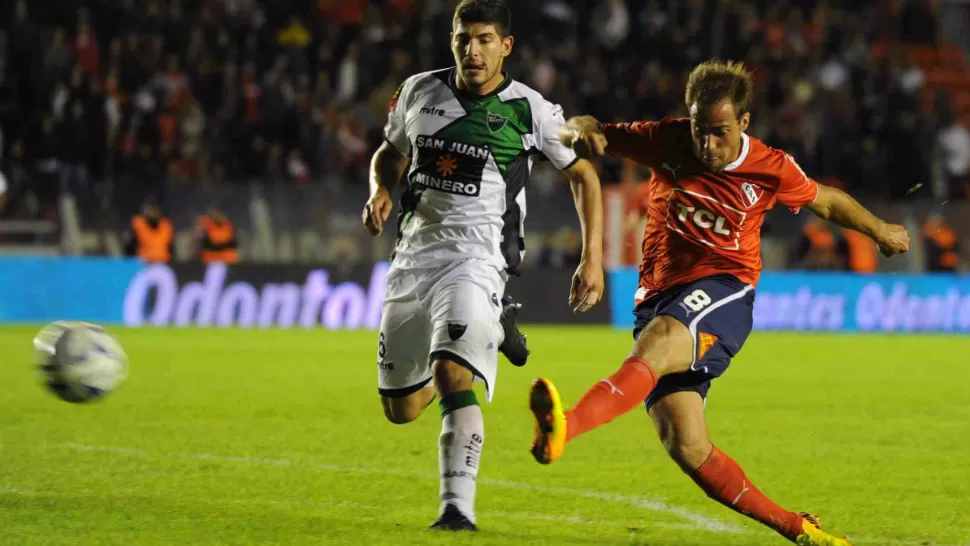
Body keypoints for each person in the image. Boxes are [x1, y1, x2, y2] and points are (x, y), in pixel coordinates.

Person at [528, 60, 910, 546]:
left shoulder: (770, 166)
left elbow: (826, 200)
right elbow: (590, 129)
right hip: (660, 296)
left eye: (719, 132)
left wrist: (879, 230)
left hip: (725, 291)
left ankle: (565, 427)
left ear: (744, 124)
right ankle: (800, 529)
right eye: (699, 130)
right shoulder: (666, 138)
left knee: (658, 344)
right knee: (687, 446)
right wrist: (579, 130)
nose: (706, 144)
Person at [361, 0, 605, 532]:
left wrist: (593, 259)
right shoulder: (417, 91)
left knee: (452, 374)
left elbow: (584, 176)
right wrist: (381, 188)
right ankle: (491, 331)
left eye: (485, 39)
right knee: (400, 409)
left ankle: (457, 510)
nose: (473, 50)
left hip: (478, 259)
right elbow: (389, 151)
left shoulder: (531, 111)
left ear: (506, 46)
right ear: (451, 40)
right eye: (464, 39)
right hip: (411, 260)